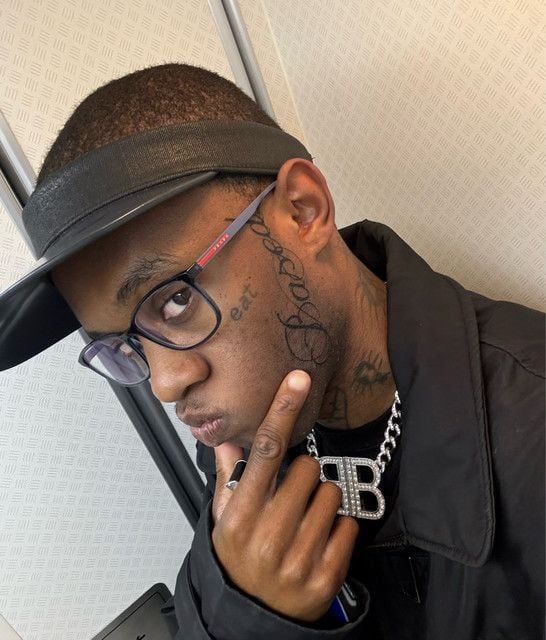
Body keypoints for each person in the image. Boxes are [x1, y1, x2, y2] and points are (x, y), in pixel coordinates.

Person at [0, 63, 543, 640]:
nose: (165, 383)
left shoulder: (530, 425)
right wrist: (247, 610)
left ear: (303, 211)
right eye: (127, 344)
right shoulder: (243, 435)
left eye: (177, 299)